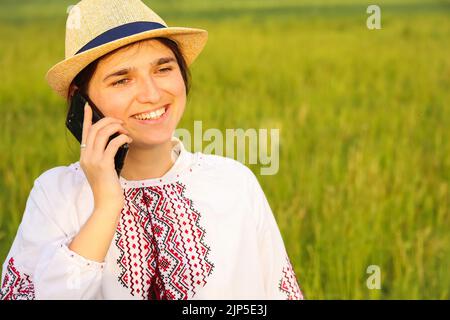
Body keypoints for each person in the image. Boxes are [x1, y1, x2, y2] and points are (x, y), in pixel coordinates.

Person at [0, 0, 304, 300]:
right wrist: (106, 205)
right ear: (82, 101)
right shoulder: (56, 195)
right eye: (122, 80)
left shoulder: (235, 182)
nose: (152, 94)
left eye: (163, 69)